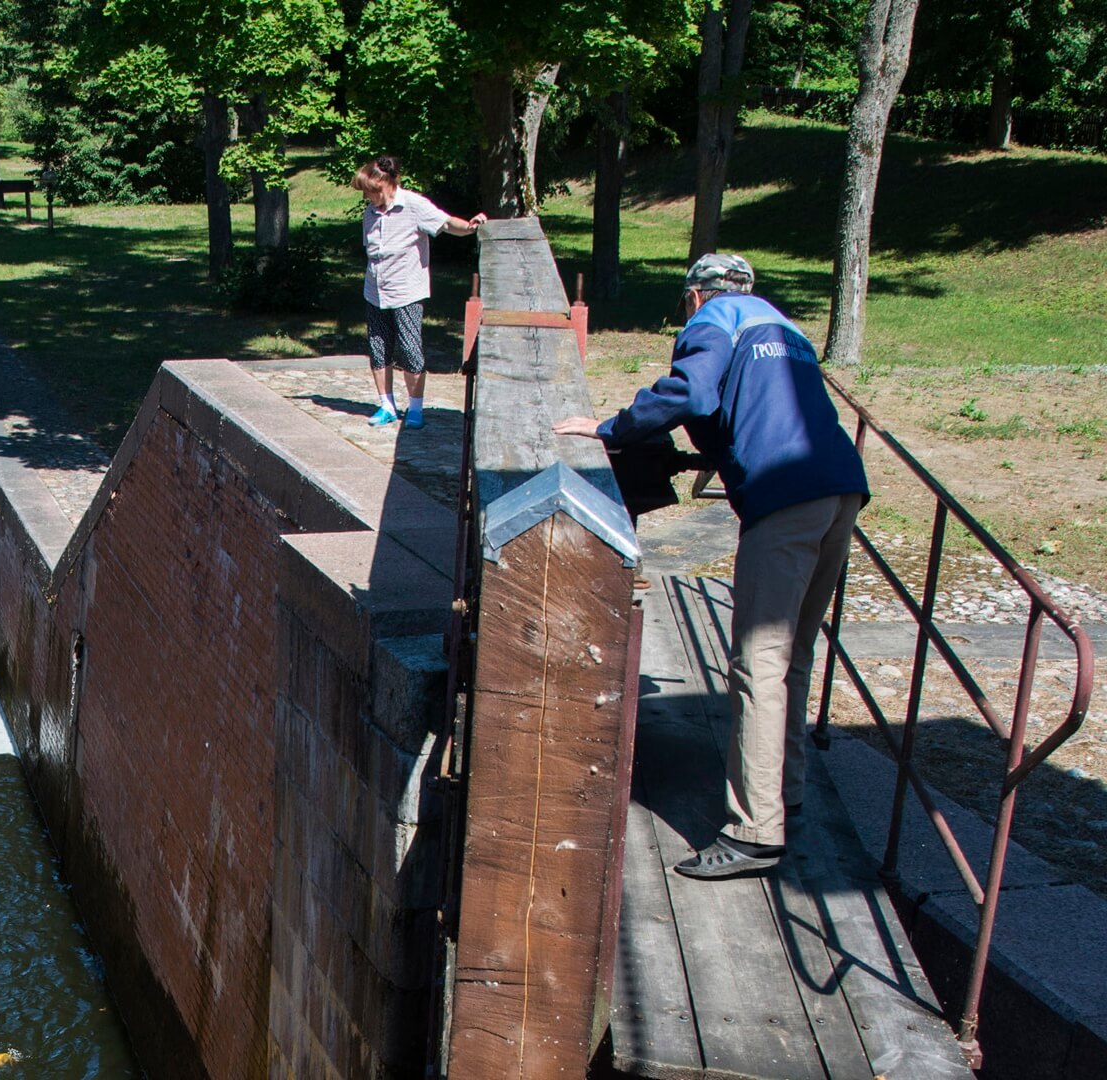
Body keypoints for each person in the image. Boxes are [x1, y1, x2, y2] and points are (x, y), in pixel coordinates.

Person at [552, 253, 869, 879]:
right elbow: (753, 410)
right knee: (793, 655)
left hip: (785, 496)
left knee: (757, 663)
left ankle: (754, 833)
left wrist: (613, 426)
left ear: (695, 297)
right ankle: (787, 792)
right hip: (841, 491)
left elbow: (693, 391)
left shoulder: (713, 320)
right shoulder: (785, 327)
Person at [351, 155, 487, 430]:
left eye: (369, 191)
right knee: (379, 349)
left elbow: (447, 224)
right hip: (375, 291)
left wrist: (471, 227)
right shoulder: (370, 214)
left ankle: (415, 408)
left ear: (385, 185)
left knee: (411, 350)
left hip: (407, 291)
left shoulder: (413, 205)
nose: (366, 196)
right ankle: (386, 405)